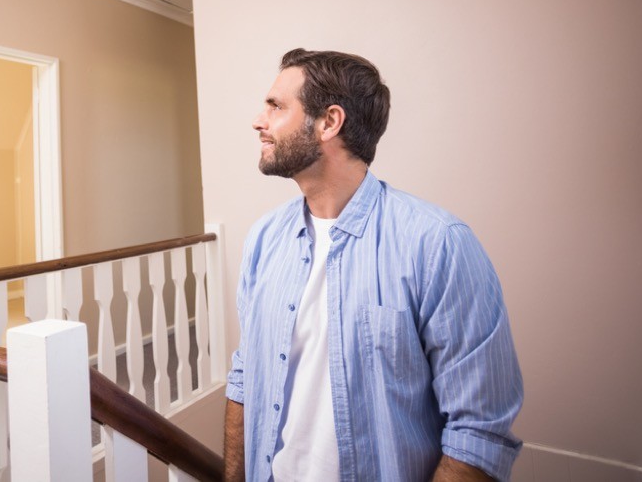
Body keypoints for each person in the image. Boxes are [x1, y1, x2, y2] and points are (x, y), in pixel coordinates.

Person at [224, 49, 523, 482]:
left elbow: (479, 434)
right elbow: (245, 378)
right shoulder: (263, 240)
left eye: (276, 106)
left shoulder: (438, 245)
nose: (259, 120)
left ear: (329, 122)